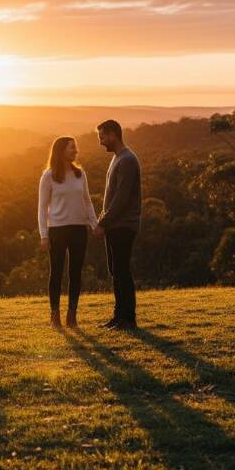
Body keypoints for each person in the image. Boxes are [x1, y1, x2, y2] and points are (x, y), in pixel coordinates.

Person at [37, 136, 99, 328]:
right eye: (72, 148)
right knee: (56, 273)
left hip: (79, 229)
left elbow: (87, 202)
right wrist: (44, 235)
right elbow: (41, 208)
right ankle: (54, 315)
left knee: (75, 273)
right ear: (61, 150)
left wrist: (94, 224)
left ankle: (72, 315)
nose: (76, 151)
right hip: (57, 230)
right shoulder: (48, 176)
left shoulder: (80, 174)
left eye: (76, 148)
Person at [93, 120, 142, 330]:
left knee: (121, 270)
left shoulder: (127, 160)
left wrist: (102, 222)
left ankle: (127, 318)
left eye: (102, 137)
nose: (101, 142)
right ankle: (118, 316)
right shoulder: (118, 159)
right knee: (116, 270)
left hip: (123, 225)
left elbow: (120, 199)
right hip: (115, 225)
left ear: (113, 135)